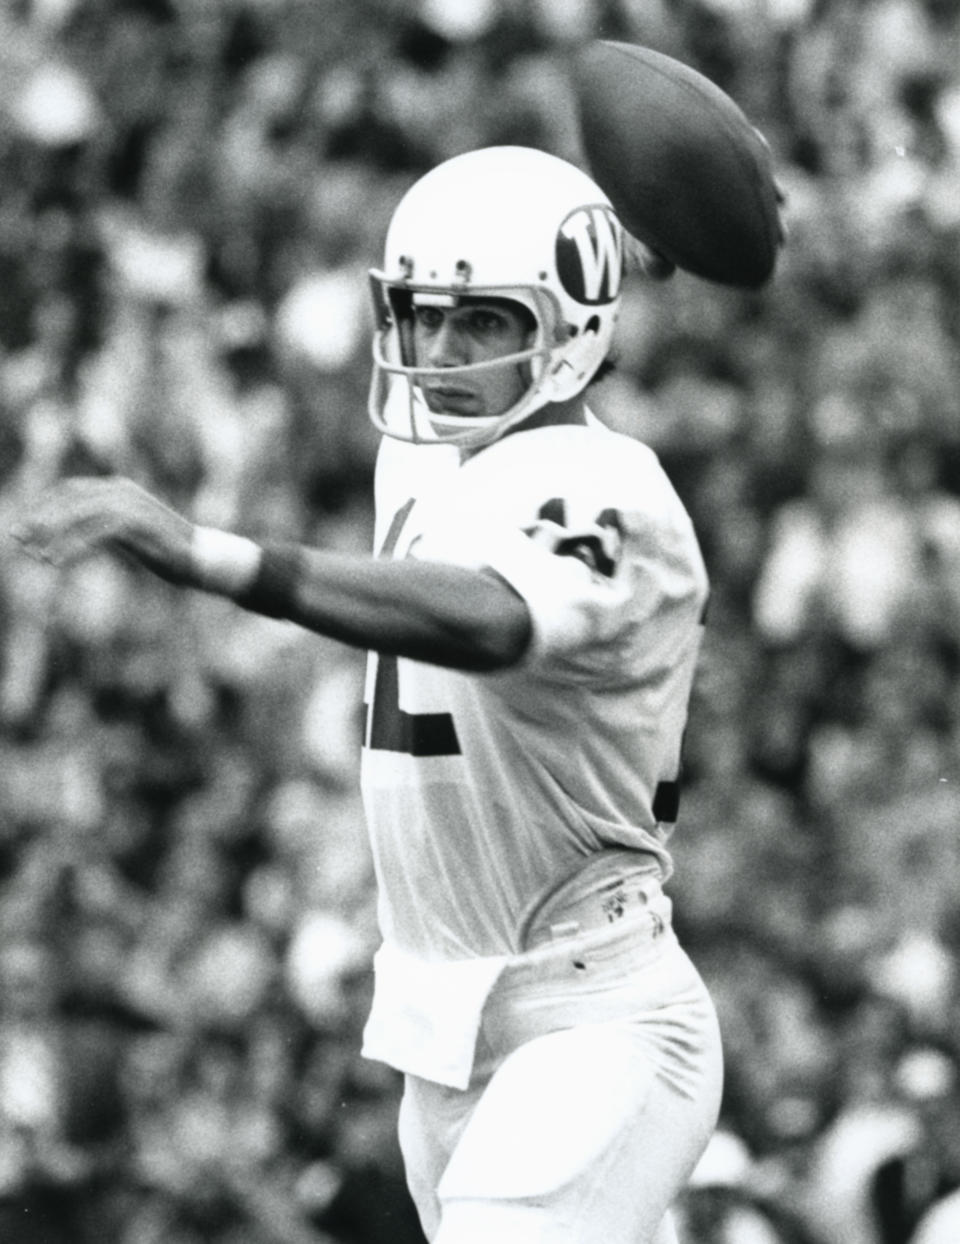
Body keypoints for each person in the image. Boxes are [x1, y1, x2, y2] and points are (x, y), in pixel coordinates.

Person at [11, 145, 724, 1244]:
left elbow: (486, 616)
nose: (437, 352)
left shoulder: (614, 488)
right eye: (422, 315)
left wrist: (210, 553)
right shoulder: (436, 442)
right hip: (447, 1019)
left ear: (572, 333)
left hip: (597, 1013)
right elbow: (550, 276)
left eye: (481, 322)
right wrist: (640, 236)